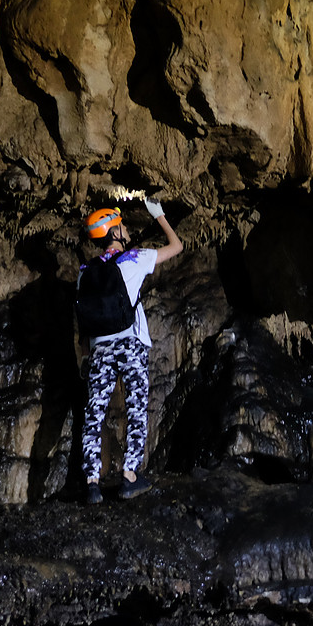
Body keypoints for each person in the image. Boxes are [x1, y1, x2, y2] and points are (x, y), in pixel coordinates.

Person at [77, 199, 182, 504]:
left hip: (99, 349)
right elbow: (176, 246)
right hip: (130, 344)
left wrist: (86, 356)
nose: (126, 229)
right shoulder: (133, 259)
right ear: (114, 231)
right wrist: (159, 215)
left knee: (94, 414)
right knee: (135, 408)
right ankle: (130, 477)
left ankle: (92, 483)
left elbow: (82, 319)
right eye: (121, 225)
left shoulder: (86, 272)